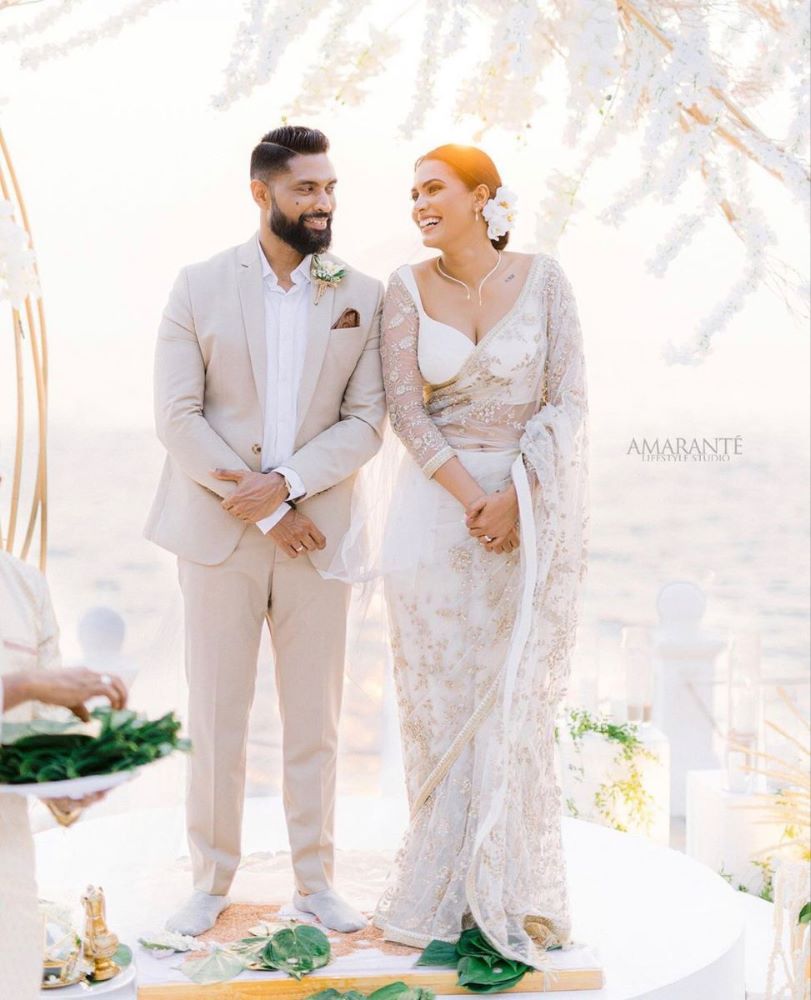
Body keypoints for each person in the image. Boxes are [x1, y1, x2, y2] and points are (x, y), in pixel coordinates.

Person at [145, 125, 386, 936]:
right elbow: (178, 420)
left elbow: (365, 423)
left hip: (317, 536)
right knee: (216, 715)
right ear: (261, 193)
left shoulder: (362, 292)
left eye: (328, 190)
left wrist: (288, 489)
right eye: (305, 190)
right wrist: (265, 509)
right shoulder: (198, 285)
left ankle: (316, 881)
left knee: (314, 719)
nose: (321, 205)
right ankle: (211, 880)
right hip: (219, 537)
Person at [370, 145, 590, 968]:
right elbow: (402, 408)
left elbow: (567, 399)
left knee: (509, 702)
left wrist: (517, 499)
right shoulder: (405, 287)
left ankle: (510, 889)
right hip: (435, 517)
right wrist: (472, 498)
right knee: (437, 703)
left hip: (526, 513)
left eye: (433, 189)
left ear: (482, 197)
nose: (419, 204)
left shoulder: (545, 279)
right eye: (412, 191)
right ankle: (444, 890)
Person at [1, 548, 128, 1000]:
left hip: (7, 868)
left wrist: (69, 783)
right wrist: (23, 685)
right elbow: (32, 690)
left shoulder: (23, 584)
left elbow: (38, 729)